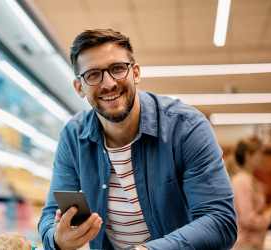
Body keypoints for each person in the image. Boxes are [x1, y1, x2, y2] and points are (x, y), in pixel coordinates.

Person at [38, 28, 237, 250]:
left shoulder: (186, 128)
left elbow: (220, 221)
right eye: (93, 75)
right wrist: (57, 239)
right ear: (79, 87)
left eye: (117, 69)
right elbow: (50, 215)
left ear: (136, 73)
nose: (108, 83)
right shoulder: (74, 137)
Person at [228, 137, 271, 250]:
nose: (262, 158)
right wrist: (269, 217)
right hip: (245, 244)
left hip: (252, 244)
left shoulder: (249, 179)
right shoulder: (242, 180)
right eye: (259, 154)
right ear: (248, 155)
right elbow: (247, 219)